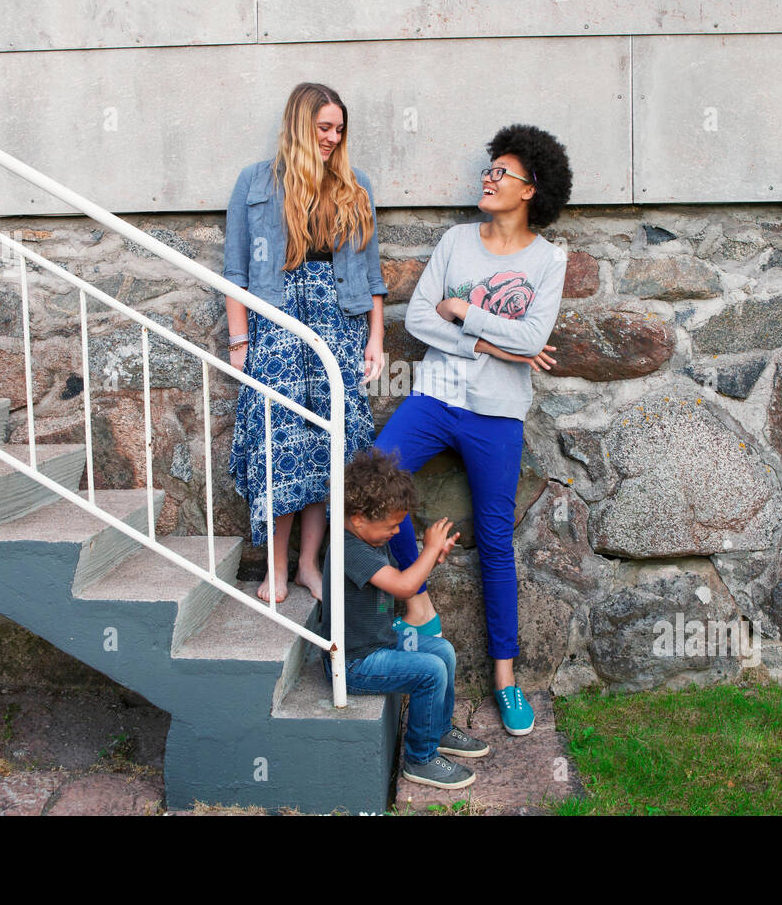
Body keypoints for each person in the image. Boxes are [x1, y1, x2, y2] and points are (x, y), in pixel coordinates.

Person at [374, 124, 573, 737]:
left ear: (530, 189)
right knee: (379, 479)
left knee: (493, 539)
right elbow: (421, 318)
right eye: (489, 170)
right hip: (436, 394)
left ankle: (506, 682)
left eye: (502, 173)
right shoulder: (458, 241)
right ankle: (417, 602)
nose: (488, 179)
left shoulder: (548, 260)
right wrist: (491, 340)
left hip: (498, 414)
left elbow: (534, 340)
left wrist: (466, 315)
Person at [224, 82, 387, 604]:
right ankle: (275, 568)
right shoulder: (255, 182)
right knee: (280, 444)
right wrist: (239, 341)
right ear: (300, 124)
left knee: (327, 445)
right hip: (276, 322)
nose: (332, 138)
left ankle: (308, 566)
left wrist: (376, 338)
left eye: (339, 130)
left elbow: (372, 273)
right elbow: (235, 273)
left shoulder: (353, 185)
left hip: (336, 320)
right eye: (323, 128)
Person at [320, 447, 488, 789]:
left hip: (380, 641)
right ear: (358, 519)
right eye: (391, 526)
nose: (396, 532)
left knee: (444, 652)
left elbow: (400, 578)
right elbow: (403, 586)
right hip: (355, 662)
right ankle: (420, 759)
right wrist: (427, 551)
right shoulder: (347, 549)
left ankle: (437, 730)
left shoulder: (367, 538)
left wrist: (430, 560)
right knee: (430, 672)